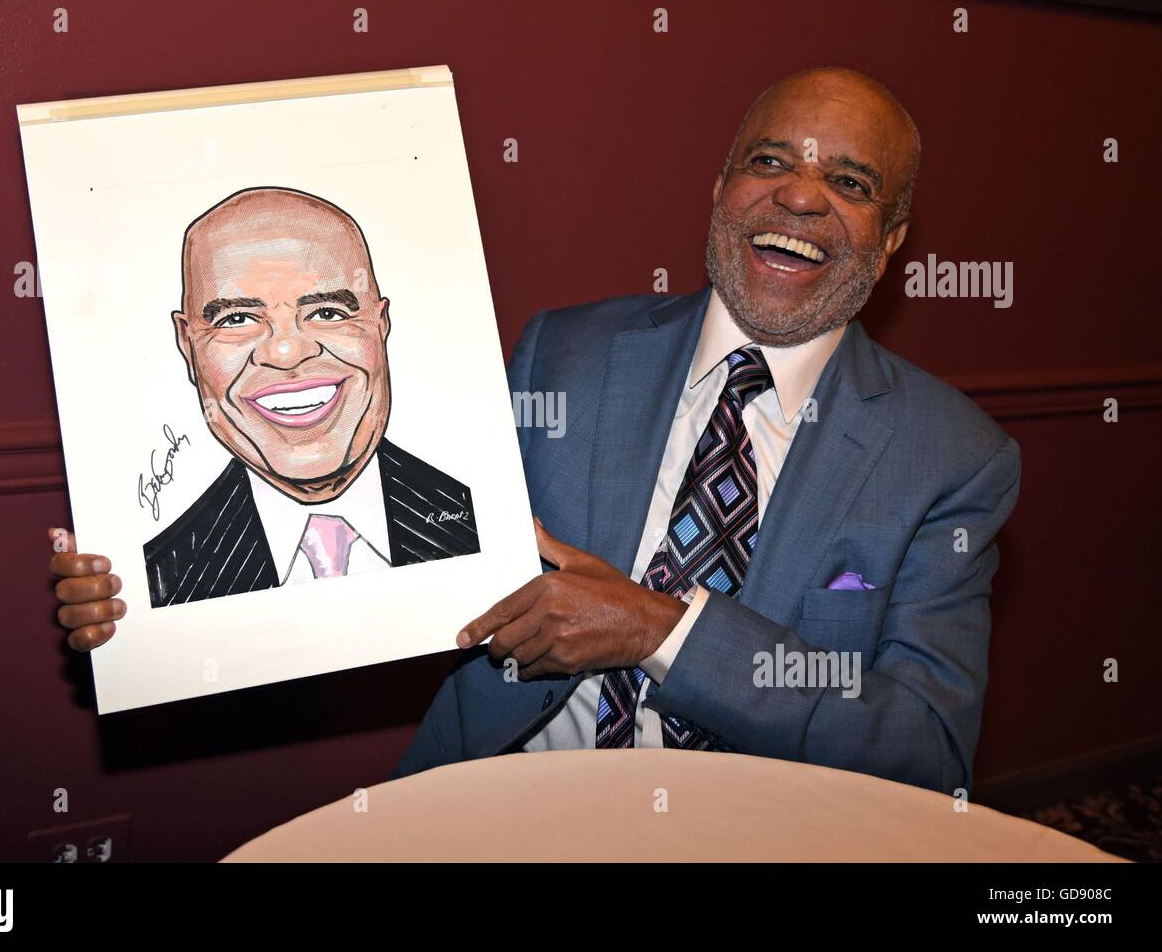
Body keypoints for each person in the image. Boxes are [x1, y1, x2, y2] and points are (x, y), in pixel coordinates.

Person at [50, 68, 1019, 795]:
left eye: (848, 182)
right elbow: (392, 539)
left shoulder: (950, 458)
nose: (799, 195)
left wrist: (661, 630)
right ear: (720, 187)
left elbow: (922, 745)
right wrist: (146, 598)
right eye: (769, 161)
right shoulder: (566, 352)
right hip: (497, 800)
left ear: (893, 238)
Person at [139, 186, 478, 609]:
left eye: (328, 313)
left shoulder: (491, 528)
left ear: (379, 324)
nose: (286, 352)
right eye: (237, 319)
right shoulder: (155, 581)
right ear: (188, 345)